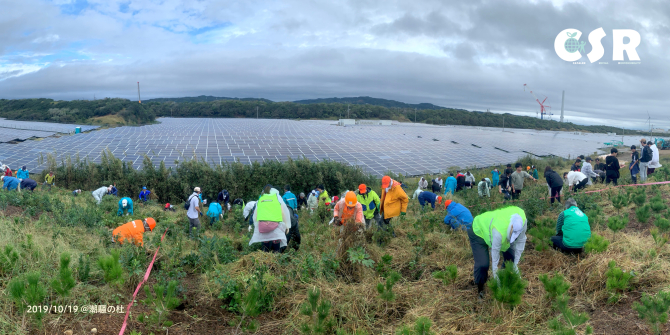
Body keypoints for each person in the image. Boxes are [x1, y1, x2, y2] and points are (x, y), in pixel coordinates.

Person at [468, 206, 527, 300]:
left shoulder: (522, 219)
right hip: (478, 229)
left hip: (495, 225)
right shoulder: (498, 232)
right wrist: (498, 288)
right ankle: (480, 288)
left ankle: (505, 277)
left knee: (511, 257)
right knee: (483, 264)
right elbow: (494, 262)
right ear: (510, 228)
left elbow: (520, 242)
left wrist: (515, 266)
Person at [249, 185, 292, 253]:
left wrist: (255, 225)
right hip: (275, 226)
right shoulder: (277, 197)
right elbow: (283, 212)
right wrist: (287, 225)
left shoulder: (261, 198)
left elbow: (255, 214)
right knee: (276, 248)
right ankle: (276, 257)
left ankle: (264, 259)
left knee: (265, 248)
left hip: (263, 227)